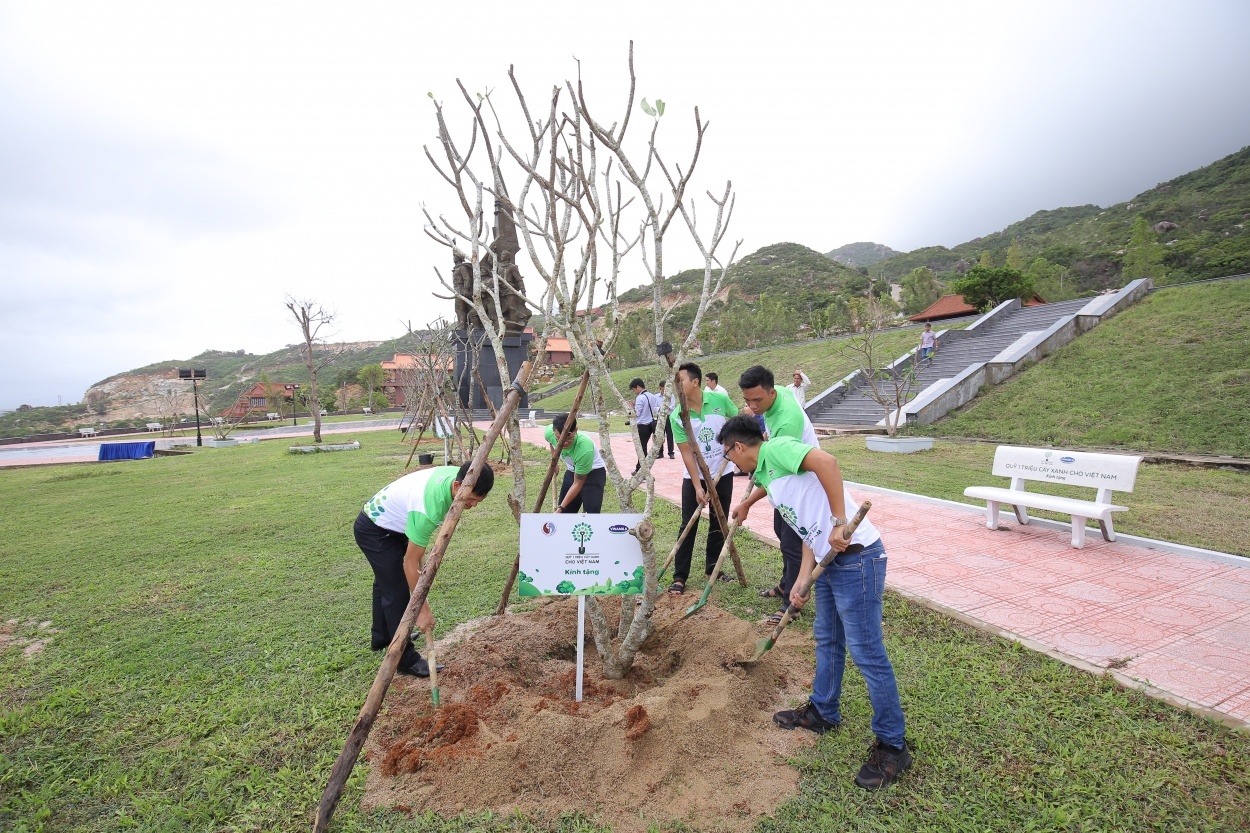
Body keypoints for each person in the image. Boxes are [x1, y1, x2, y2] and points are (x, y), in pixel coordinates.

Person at [719, 415, 911, 790]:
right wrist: (803, 579)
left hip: (857, 558)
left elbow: (828, 462)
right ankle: (824, 711)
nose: (733, 464)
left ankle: (893, 744)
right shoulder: (771, 478)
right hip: (831, 562)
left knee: (867, 651)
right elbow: (807, 526)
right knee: (827, 639)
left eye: (729, 456)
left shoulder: (775, 448)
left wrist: (840, 520)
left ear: (739, 447)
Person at [355, 462, 495, 676]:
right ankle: (405, 659)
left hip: (396, 524)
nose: (474, 505)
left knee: (385, 581)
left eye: (479, 501)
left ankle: (382, 636)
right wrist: (423, 611)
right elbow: (410, 565)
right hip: (376, 529)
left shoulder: (460, 476)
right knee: (396, 588)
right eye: (472, 500)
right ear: (457, 486)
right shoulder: (429, 509)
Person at [736, 365, 819, 625]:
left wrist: (748, 502)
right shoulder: (777, 394)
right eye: (747, 400)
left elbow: (774, 473)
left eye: (757, 400)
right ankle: (786, 585)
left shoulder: (788, 423)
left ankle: (791, 605)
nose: (752, 406)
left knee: (794, 544)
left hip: (799, 484)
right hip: (785, 481)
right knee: (781, 532)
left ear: (772, 393)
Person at [666, 362, 738, 595]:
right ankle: (679, 576)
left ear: (695, 382)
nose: (677, 386)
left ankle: (712, 568)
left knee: (720, 521)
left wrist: (731, 446)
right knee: (689, 523)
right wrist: (697, 486)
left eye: (681, 381)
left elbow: (736, 421)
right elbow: (687, 453)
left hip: (722, 473)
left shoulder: (719, 400)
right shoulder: (678, 415)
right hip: (695, 477)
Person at [546, 412, 607, 513]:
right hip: (571, 472)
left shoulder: (584, 449)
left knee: (590, 517)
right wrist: (554, 461)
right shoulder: (549, 433)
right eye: (559, 439)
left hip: (593, 476)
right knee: (565, 515)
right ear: (554, 432)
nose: (564, 443)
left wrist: (559, 509)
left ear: (576, 430)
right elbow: (551, 442)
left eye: (569, 438)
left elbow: (577, 483)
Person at [629, 378, 660, 473]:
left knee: (642, 449)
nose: (634, 392)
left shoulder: (640, 397)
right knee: (643, 447)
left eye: (634, 390)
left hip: (642, 425)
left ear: (638, 387)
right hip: (650, 424)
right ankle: (639, 468)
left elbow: (637, 413)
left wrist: (631, 408)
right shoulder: (652, 396)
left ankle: (641, 470)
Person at [656, 380, 677, 459]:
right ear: (661, 387)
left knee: (670, 434)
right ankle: (660, 452)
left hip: (668, 417)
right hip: (660, 417)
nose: (667, 388)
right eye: (665, 387)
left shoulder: (671, 396)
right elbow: (655, 407)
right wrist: (661, 408)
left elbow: (672, 406)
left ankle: (671, 452)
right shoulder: (656, 397)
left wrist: (666, 407)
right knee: (660, 435)